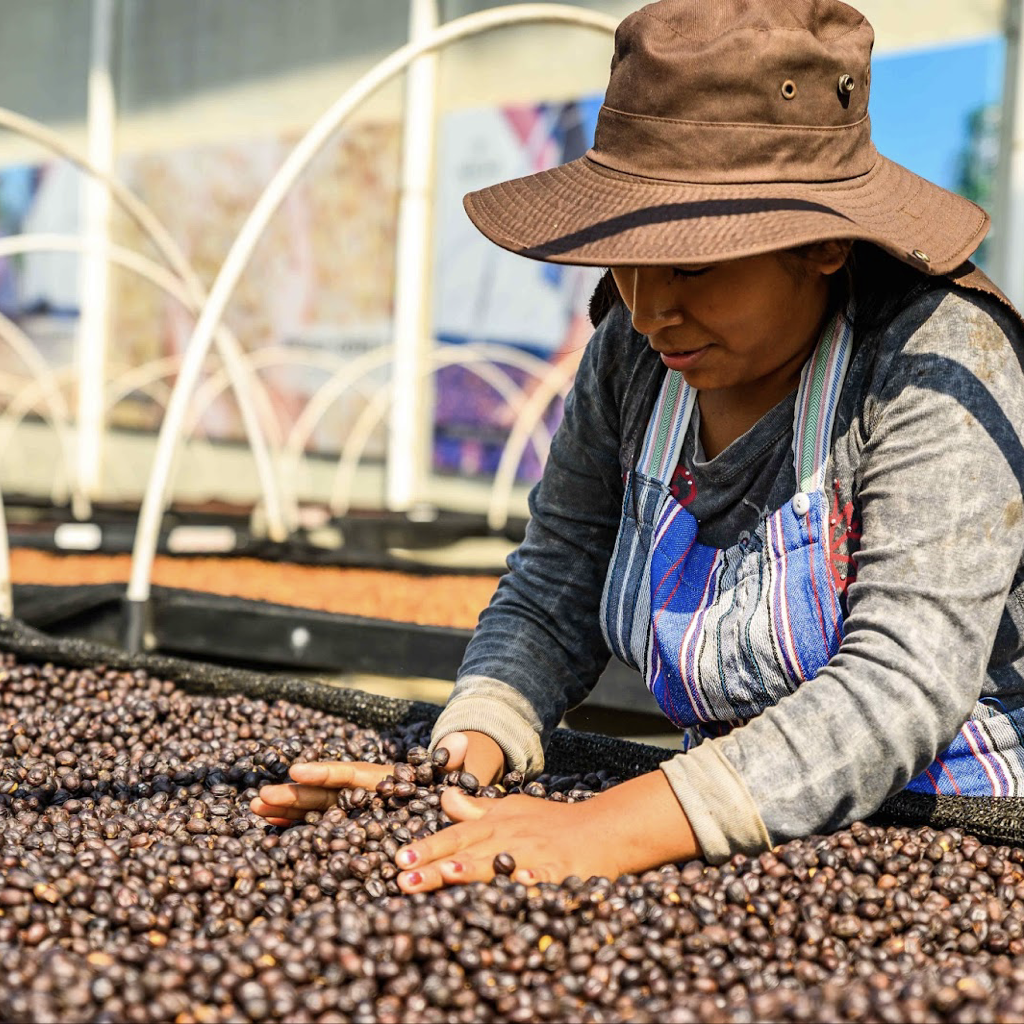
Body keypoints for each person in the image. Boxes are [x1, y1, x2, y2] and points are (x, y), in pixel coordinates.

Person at [253, 0, 1024, 892]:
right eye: (626, 257)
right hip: (715, 840)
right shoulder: (634, 355)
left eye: (692, 263)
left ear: (821, 244)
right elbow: (555, 586)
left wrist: (608, 831)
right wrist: (460, 765)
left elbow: (899, 687)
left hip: (959, 841)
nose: (651, 307)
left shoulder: (937, 361)